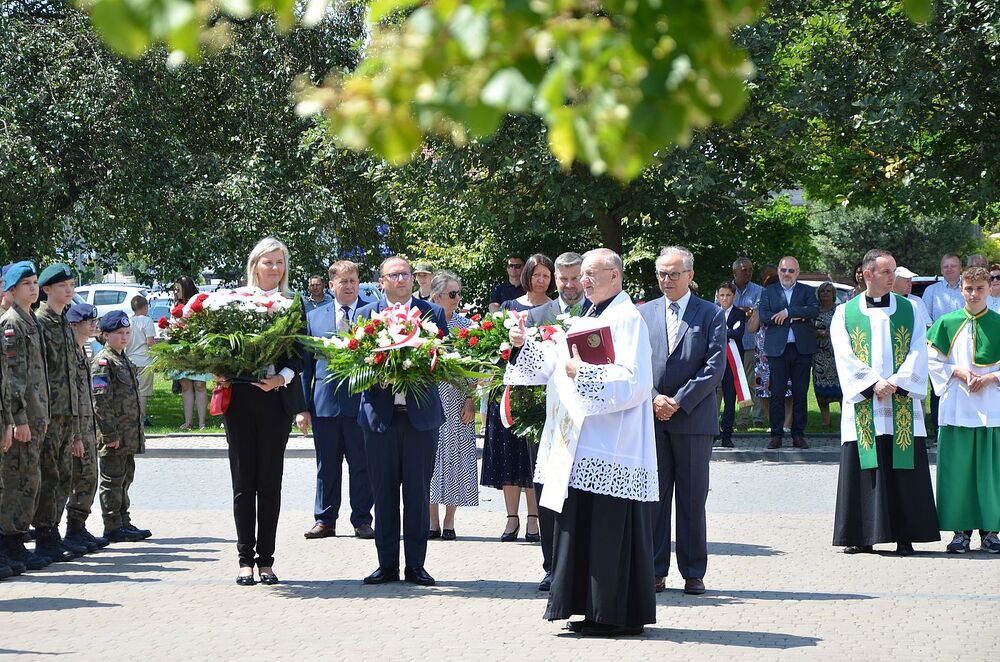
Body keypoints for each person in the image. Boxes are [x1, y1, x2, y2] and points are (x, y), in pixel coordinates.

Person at [505, 248, 657, 636]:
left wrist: (583, 372)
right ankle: (584, 608)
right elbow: (553, 366)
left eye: (591, 273)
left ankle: (611, 615)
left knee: (606, 529)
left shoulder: (627, 318)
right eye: (581, 274)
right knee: (581, 525)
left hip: (612, 444)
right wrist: (523, 345)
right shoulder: (587, 315)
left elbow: (635, 382)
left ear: (615, 276)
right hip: (578, 441)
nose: (583, 280)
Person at [830, 250, 939, 556]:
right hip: (865, 402)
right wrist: (872, 383)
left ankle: (906, 536)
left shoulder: (911, 309)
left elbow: (918, 349)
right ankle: (862, 535)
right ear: (868, 275)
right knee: (866, 464)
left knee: (903, 465)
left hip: (900, 399)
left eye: (894, 271)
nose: (894, 276)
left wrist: (897, 382)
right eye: (887, 271)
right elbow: (843, 354)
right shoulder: (845, 313)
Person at [638, 247, 726, 596]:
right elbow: (635, 364)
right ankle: (655, 570)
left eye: (674, 274)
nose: (667, 280)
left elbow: (714, 366)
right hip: (653, 417)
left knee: (691, 500)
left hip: (693, 419)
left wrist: (678, 401)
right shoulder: (644, 313)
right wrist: (653, 397)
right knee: (654, 499)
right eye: (662, 273)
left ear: (690, 275)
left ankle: (693, 571)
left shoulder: (711, 313)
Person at [357, 256, 448, 587]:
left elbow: (444, 359)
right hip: (380, 418)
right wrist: (378, 371)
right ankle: (386, 565)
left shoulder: (432, 313)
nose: (400, 279)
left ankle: (416, 566)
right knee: (383, 494)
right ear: (381, 281)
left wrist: (417, 365)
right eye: (393, 275)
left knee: (417, 495)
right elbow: (355, 362)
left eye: (405, 274)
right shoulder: (367, 314)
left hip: (419, 419)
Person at [220, 238, 306, 586]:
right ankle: (245, 560)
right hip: (240, 399)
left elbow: (300, 354)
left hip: (275, 401)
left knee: (270, 484)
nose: (274, 268)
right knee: (244, 483)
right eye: (268, 262)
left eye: (280, 262)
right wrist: (218, 369)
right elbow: (221, 347)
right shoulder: (235, 301)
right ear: (255, 264)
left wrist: (281, 378)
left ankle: (266, 560)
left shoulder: (292, 303)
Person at [524, 251, 588, 590]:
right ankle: (551, 566)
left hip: (587, 419)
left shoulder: (596, 313)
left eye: (575, 278)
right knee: (547, 492)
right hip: (544, 418)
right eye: (563, 279)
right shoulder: (536, 316)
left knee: (581, 494)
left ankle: (581, 565)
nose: (569, 285)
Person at [297, 260, 375, 541]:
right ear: (331, 285)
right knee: (326, 465)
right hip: (325, 406)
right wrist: (302, 408)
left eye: (353, 280)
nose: (349, 286)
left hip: (362, 404)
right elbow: (305, 368)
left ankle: (362, 520)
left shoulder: (373, 314)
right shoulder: (314, 317)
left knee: (362, 466)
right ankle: (325, 520)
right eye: (343, 281)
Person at [927, 266, 1000, 554]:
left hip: (992, 409)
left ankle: (991, 531)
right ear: (961, 290)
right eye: (969, 289)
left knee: (990, 474)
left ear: (989, 289)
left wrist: (992, 377)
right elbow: (931, 361)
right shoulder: (946, 323)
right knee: (958, 474)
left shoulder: (998, 323)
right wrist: (957, 372)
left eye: (980, 288)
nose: (974, 294)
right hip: (957, 408)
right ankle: (960, 533)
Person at [482, 253, 554, 542]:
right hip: (509, 392)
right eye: (536, 274)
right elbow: (494, 350)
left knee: (533, 458)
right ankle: (511, 518)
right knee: (508, 454)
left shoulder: (555, 310)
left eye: (546, 275)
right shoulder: (509, 308)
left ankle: (534, 519)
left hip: (540, 395)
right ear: (526, 276)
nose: (541, 280)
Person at [33, 263, 86, 562]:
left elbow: (72, 376)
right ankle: (44, 534)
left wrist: (76, 424)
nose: (69, 290)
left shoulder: (65, 323)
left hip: (67, 413)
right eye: (63, 286)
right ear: (47, 289)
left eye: (71, 285)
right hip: (49, 413)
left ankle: (53, 530)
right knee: (48, 476)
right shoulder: (39, 323)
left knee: (64, 475)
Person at [0, 261, 51, 571]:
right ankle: (9, 541)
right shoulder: (12, 323)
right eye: (26, 284)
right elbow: (14, 376)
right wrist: (19, 419)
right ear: (12, 289)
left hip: (36, 414)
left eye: (34, 283)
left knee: (30, 479)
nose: (33, 288)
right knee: (17, 480)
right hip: (23, 418)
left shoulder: (30, 320)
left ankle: (17, 540)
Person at [427, 271, 479, 540]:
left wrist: (471, 400)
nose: (457, 298)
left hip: (458, 400)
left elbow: (475, 368)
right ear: (436, 296)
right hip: (428, 400)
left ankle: (449, 521)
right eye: (452, 294)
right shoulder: (424, 325)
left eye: (458, 293)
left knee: (455, 460)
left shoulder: (466, 326)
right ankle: (431, 521)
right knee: (429, 460)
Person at [92, 311, 151, 544]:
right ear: (106, 335)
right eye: (119, 333)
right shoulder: (103, 362)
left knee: (125, 478)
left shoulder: (124, 359)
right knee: (112, 480)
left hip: (128, 434)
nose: (124, 337)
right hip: (114, 434)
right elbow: (100, 400)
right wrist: (109, 433)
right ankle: (112, 525)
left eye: (127, 333)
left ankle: (123, 520)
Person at [759, 256, 819, 449]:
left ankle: (798, 435)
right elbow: (765, 316)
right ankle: (776, 435)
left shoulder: (807, 291)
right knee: (776, 393)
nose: (787, 274)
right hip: (778, 350)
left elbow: (814, 311)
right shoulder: (769, 292)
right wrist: (796, 316)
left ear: (797, 272)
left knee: (801, 393)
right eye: (783, 270)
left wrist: (788, 313)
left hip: (802, 349)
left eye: (791, 271)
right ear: (778, 271)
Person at [63, 303, 109, 551]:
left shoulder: (82, 351)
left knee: (89, 476)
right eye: (88, 321)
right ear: (73, 325)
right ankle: (70, 531)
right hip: (75, 426)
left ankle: (78, 527)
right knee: (78, 477)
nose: (94, 325)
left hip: (87, 423)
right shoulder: (69, 353)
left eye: (94, 321)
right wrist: (75, 434)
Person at [921, 253, 965, 444]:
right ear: (941, 270)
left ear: (960, 268)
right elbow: (926, 319)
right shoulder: (931, 291)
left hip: (964, 345)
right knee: (938, 388)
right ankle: (939, 428)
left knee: (963, 385)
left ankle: (962, 427)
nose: (949, 269)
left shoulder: (967, 289)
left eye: (953, 266)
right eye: (945, 266)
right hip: (939, 346)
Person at [172, 276, 209, 430]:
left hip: (197, 348)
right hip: (181, 348)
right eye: (175, 289)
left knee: (200, 384)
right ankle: (188, 422)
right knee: (185, 385)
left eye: (178, 289)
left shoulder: (199, 303)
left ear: (186, 288)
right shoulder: (175, 306)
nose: (176, 292)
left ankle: (202, 423)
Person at [731, 258, 764, 430]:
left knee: (752, 382)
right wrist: (745, 312)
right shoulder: (725, 290)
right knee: (731, 384)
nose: (748, 273)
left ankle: (754, 418)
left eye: (750, 270)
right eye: (744, 270)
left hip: (751, 343)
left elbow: (757, 314)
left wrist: (735, 311)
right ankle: (735, 418)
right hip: (730, 344)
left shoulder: (759, 291)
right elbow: (720, 311)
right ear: (734, 272)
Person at [714, 281, 746, 448]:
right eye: (722, 295)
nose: (725, 298)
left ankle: (727, 434)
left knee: (729, 398)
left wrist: (722, 333)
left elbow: (738, 333)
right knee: (711, 398)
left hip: (732, 362)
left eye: (728, 295)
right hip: (713, 361)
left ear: (734, 296)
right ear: (717, 296)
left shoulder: (739, 314)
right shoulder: (712, 312)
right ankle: (712, 431)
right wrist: (728, 333)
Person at [812, 282, 843, 428]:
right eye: (822, 291)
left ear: (833, 294)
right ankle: (826, 421)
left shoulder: (840, 310)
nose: (825, 293)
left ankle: (845, 421)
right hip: (819, 355)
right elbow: (808, 329)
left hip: (837, 355)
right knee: (820, 390)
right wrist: (817, 332)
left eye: (828, 291)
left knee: (841, 389)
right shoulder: (814, 311)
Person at [125, 294, 157, 425]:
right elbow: (150, 342)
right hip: (144, 359)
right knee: (143, 391)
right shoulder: (147, 321)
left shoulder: (128, 321)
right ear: (144, 307)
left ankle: (131, 415)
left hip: (130, 358)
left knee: (132, 389)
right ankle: (142, 417)